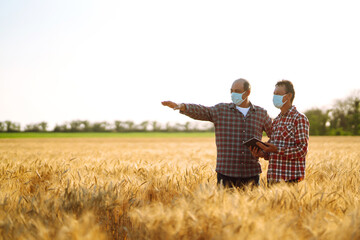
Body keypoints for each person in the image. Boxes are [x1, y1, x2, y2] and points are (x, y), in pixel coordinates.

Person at [162, 78, 272, 188]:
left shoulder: (261, 114)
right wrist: (183, 106)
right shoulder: (221, 110)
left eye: (237, 91)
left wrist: (264, 151)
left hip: (251, 173)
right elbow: (202, 111)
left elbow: (275, 135)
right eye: (231, 91)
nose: (233, 94)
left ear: (247, 92)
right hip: (226, 174)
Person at [250, 80, 310, 184]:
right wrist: (263, 153)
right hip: (273, 178)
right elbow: (272, 150)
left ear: (289, 96)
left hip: (290, 179)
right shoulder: (276, 120)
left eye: (278, 94)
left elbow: (302, 150)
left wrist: (277, 150)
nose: (274, 97)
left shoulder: (299, 118)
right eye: (274, 94)